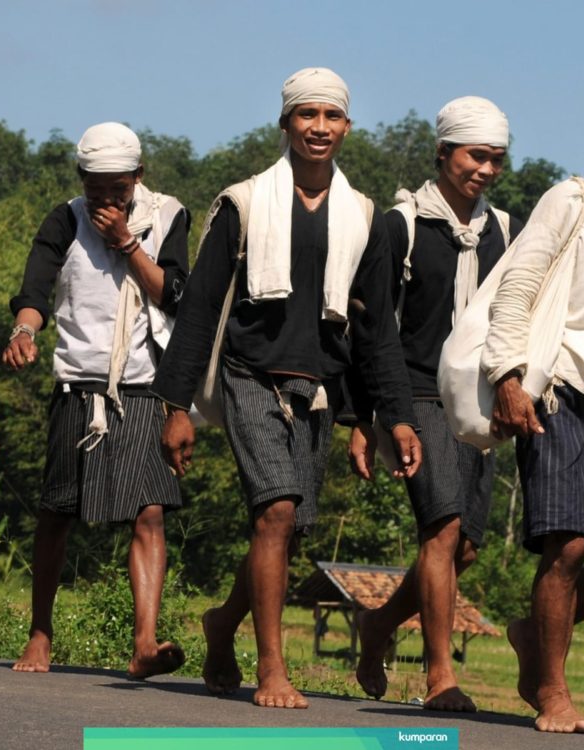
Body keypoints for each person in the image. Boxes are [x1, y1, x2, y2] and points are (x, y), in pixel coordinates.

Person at [151, 67, 421, 709]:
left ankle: (223, 623)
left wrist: (387, 416)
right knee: (274, 513)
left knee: (290, 527)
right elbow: (200, 308)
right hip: (250, 377)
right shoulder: (243, 204)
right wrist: (177, 406)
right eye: (306, 115)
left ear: (347, 128)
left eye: (331, 117)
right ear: (285, 124)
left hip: (319, 390)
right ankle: (271, 668)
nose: (318, 127)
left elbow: (375, 328)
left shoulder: (365, 218)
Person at [483, 78, 584, 734]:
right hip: (561, 388)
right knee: (569, 545)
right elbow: (517, 283)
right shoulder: (576, 201)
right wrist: (507, 377)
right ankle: (552, 690)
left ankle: (534, 635)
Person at [352, 97, 521, 711]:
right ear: (445, 152)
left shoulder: (502, 228)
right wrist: (382, 417)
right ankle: (440, 678)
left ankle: (378, 624)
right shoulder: (399, 225)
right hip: (417, 391)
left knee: (467, 546)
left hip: (475, 400)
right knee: (442, 527)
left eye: (496, 159)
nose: (485, 169)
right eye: (476, 155)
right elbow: (374, 330)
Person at [3, 123, 189, 678]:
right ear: (82, 180)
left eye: (119, 187)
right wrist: (25, 330)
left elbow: (178, 295)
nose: (108, 199)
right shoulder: (65, 218)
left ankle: (145, 643)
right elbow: (36, 287)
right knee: (58, 511)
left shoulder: (168, 215)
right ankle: (41, 632)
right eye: (97, 187)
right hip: (77, 383)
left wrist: (128, 243)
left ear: (139, 176)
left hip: (142, 383)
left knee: (149, 510)